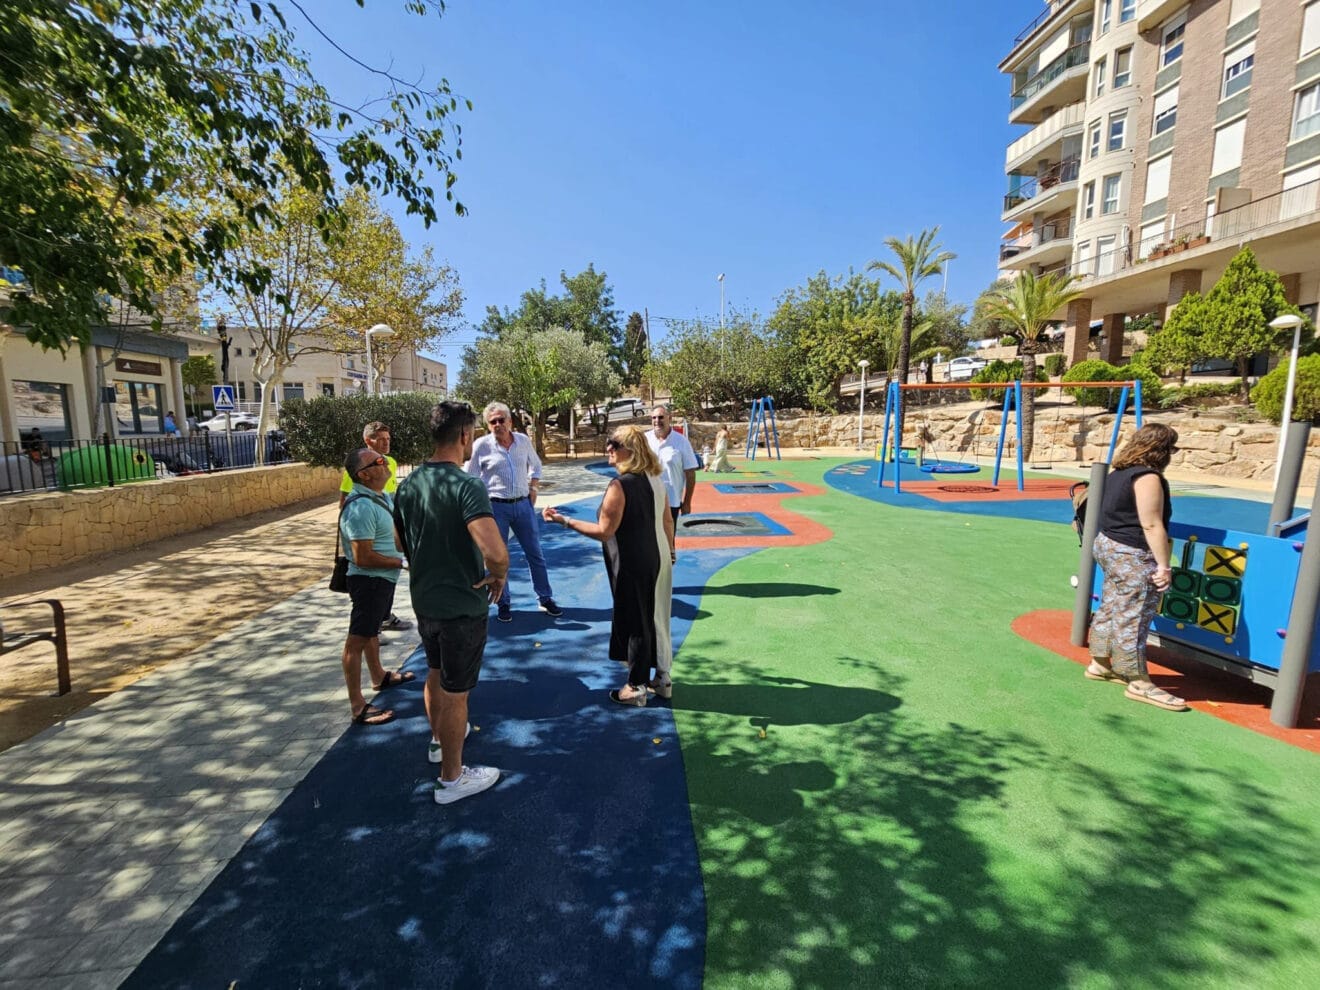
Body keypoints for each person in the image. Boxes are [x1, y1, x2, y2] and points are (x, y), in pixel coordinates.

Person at [394, 401, 509, 804]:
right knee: (457, 691)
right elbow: (494, 550)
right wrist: (499, 573)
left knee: (434, 673)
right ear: (464, 435)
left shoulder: (407, 484)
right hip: (462, 605)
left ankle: (439, 743)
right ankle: (451, 779)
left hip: (425, 601)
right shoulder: (466, 485)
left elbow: (398, 542)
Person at [544, 425, 675, 707]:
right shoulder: (654, 478)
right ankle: (662, 677)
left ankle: (636, 686)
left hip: (632, 560)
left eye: (614, 444)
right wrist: (671, 549)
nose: (608, 449)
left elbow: (604, 530)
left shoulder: (621, 485)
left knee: (636, 620)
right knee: (657, 615)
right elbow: (667, 521)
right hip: (657, 555)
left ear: (631, 451)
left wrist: (564, 521)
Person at [1086, 423, 1189, 712]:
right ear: (1162, 450)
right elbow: (1151, 522)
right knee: (1136, 613)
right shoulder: (1147, 477)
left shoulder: (1118, 473)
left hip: (1108, 545)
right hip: (1132, 553)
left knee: (1112, 604)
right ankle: (1138, 680)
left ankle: (1101, 663)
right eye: (1172, 449)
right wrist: (1163, 565)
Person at [464, 401, 562, 622]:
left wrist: (534, 486)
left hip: (523, 506)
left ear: (509, 421)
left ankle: (545, 598)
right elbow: (470, 477)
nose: (498, 424)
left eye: (501, 420)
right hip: (496, 508)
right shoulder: (482, 445)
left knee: (535, 554)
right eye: (493, 421)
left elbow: (536, 465)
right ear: (489, 425)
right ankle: (504, 602)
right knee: (499, 556)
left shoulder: (523, 441)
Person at [339, 447, 413, 727]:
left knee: (371, 632)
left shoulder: (379, 497)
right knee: (357, 639)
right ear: (364, 474)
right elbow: (362, 556)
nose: (385, 463)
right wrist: (401, 563)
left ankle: (378, 675)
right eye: (378, 462)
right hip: (369, 581)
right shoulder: (360, 507)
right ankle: (358, 706)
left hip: (382, 580)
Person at [339, 422, 410, 632]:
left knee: (384, 589)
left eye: (389, 439)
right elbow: (345, 502)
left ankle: (384, 618)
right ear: (368, 441)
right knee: (361, 630)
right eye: (381, 439)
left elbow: (389, 496)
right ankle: (376, 625)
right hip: (369, 532)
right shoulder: (359, 465)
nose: (386, 443)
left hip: (384, 524)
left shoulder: (391, 463)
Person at [646, 404, 699, 523]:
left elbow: (690, 473)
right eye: (654, 418)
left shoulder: (681, 441)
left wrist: (687, 502)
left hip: (671, 501)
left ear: (669, 418)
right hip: (648, 500)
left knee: (668, 540)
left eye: (660, 417)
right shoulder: (644, 439)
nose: (657, 421)